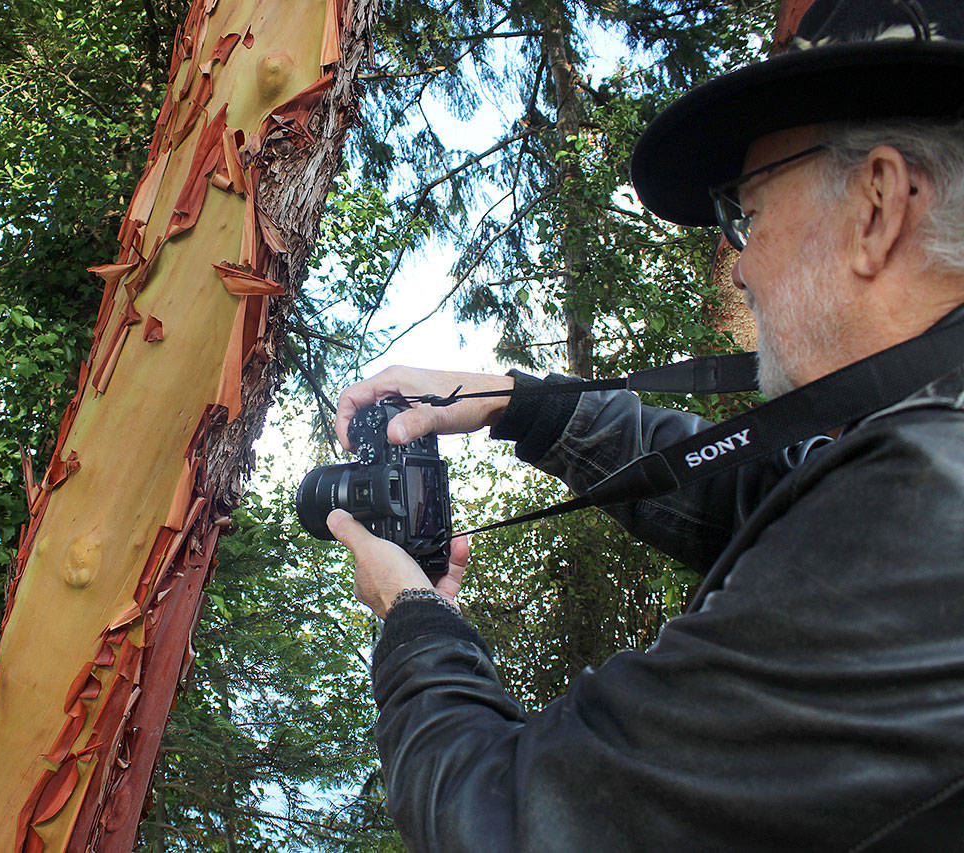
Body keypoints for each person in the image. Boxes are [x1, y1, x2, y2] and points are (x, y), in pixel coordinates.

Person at [325, 0, 964, 848]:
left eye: (749, 209)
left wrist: (411, 612)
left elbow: (504, 820)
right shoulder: (917, 443)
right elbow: (752, 493)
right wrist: (520, 400)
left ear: (878, 205)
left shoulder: (924, 507)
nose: (739, 265)